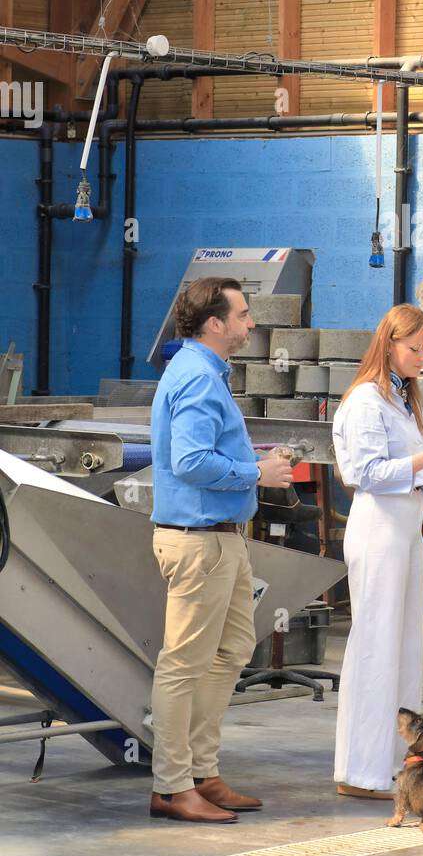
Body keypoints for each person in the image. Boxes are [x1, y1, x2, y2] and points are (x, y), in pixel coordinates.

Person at [149, 277, 296, 823]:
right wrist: (256, 472)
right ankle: (170, 785)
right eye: (243, 314)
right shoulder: (197, 378)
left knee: (233, 649)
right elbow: (189, 462)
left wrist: (251, 459)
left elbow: (204, 453)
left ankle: (200, 772)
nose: (251, 322)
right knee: (183, 664)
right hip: (199, 543)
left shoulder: (204, 374)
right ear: (215, 323)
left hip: (221, 540)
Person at [331, 304, 423, 798]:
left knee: (404, 648)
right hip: (378, 533)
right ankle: (360, 771)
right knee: (376, 648)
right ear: (388, 345)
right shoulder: (366, 401)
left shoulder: (403, 400)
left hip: (405, 530)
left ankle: (397, 764)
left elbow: (405, 473)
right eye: (415, 348)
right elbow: (365, 475)